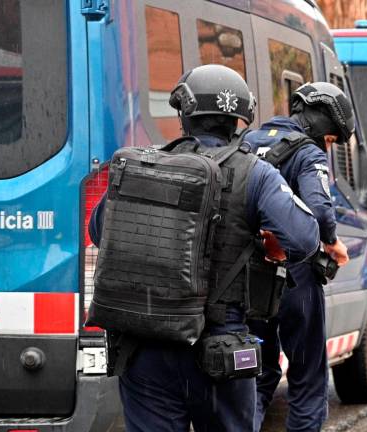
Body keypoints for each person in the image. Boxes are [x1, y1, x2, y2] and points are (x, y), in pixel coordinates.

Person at [88, 65, 320, 432]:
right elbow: (306, 238)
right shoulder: (255, 173)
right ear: (239, 120)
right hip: (220, 348)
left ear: (184, 115)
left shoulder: (141, 165)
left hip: (145, 346)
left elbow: (100, 231)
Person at [244, 82, 353, 432]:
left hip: (244, 279)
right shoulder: (308, 153)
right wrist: (333, 242)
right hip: (294, 279)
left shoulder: (245, 142)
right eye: (332, 139)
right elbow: (320, 211)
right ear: (321, 124)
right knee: (307, 376)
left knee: (254, 375)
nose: (329, 145)